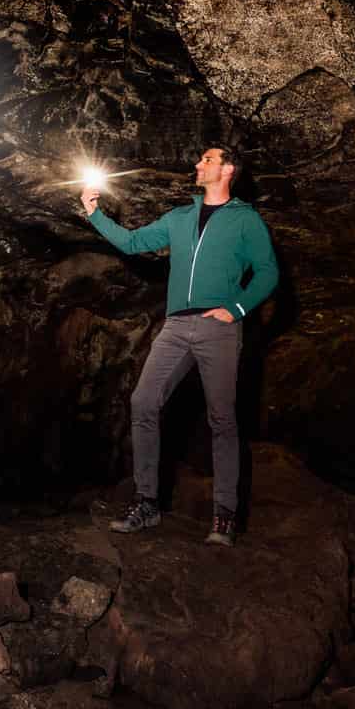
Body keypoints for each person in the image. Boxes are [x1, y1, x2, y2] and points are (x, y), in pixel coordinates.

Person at [79, 147, 279, 546]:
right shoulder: (180, 216)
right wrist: (93, 214)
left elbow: (268, 271)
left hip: (217, 329)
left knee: (222, 419)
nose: (197, 165)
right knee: (143, 403)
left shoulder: (245, 220)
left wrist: (236, 308)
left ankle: (224, 515)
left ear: (227, 169)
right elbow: (134, 242)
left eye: (206, 160)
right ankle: (147, 502)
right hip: (175, 325)